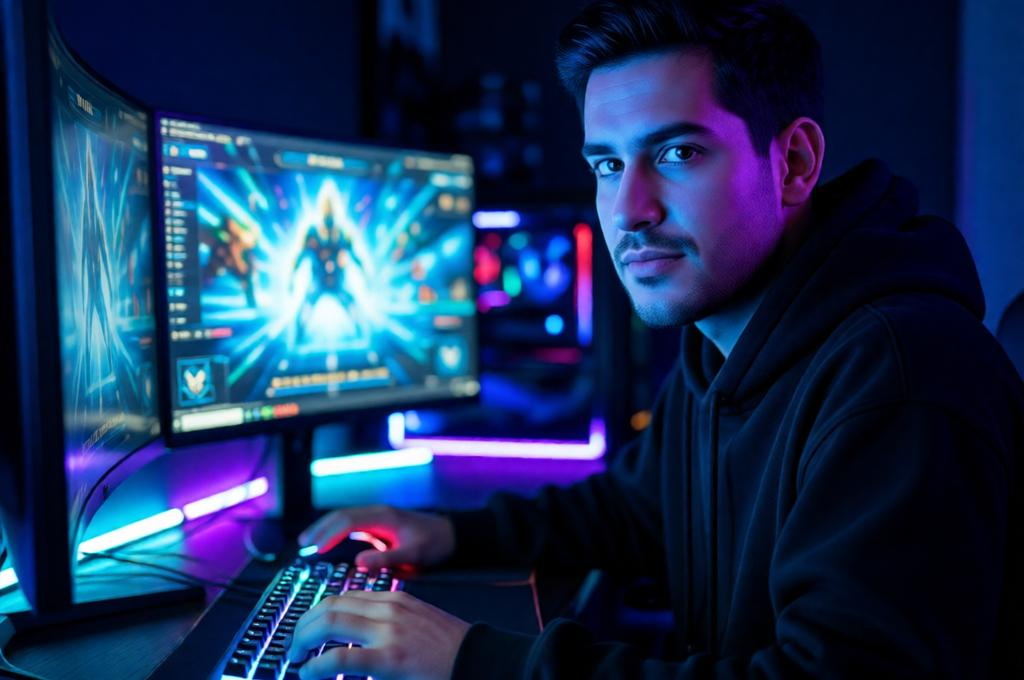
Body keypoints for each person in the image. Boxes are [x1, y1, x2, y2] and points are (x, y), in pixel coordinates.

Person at [285, 1, 1024, 678]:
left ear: (793, 162)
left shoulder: (899, 379)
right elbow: (639, 510)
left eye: (677, 154)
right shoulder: (727, 341)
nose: (629, 210)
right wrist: (447, 532)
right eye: (607, 164)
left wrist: (478, 662)